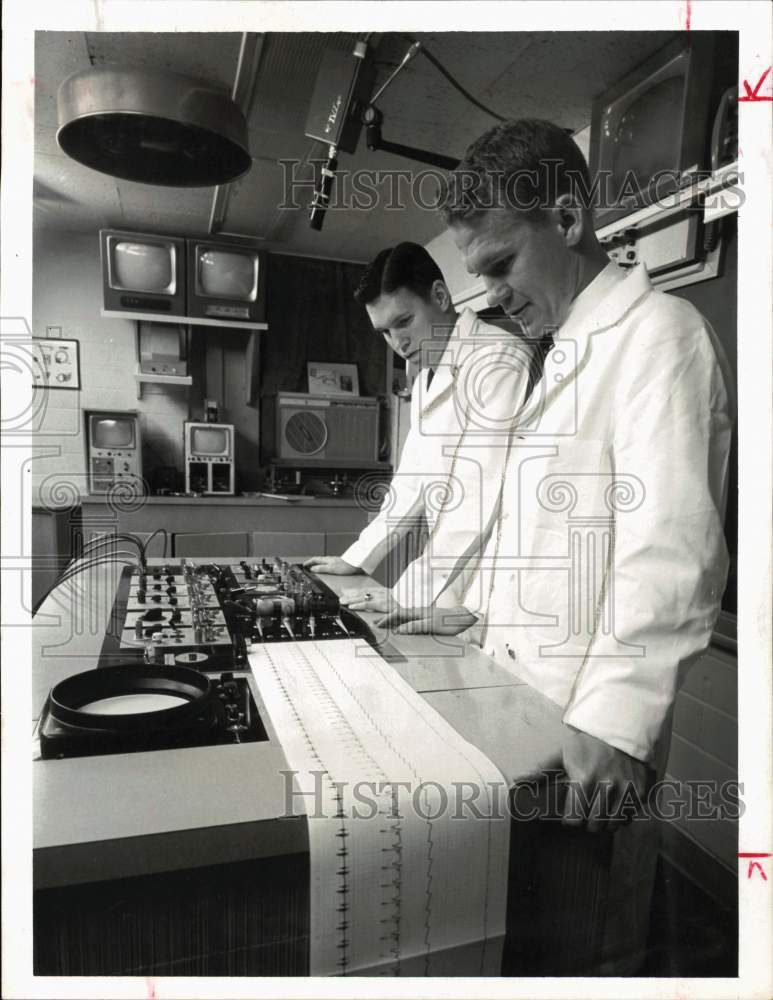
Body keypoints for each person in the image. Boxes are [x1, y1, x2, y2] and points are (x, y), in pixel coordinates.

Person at [382, 121, 733, 839]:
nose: (492, 295)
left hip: (585, 724)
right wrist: (479, 609)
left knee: (592, 936)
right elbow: (543, 531)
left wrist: (617, 719)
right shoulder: (565, 349)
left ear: (568, 217)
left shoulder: (659, 334)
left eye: (502, 263)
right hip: (519, 693)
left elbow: (669, 547)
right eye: (478, 275)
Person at [305, 241, 531, 613]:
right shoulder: (425, 373)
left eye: (404, 322)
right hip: (447, 575)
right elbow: (412, 478)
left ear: (440, 296)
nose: (398, 343)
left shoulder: (498, 360)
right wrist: (358, 557)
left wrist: (405, 595)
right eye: (384, 332)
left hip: (493, 574)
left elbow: (476, 500)